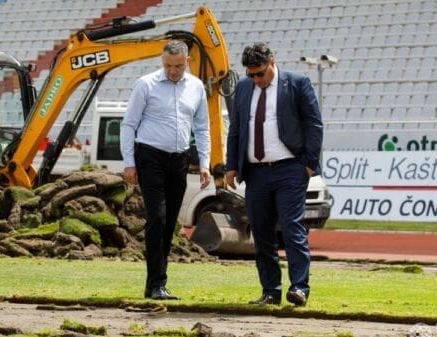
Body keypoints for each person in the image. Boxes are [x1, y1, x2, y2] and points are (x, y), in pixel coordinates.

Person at [224, 43, 323, 308]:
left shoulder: (297, 83)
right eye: (251, 74)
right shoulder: (243, 88)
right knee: (261, 232)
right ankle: (270, 291)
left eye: (260, 73)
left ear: (272, 62)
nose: (256, 79)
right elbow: (236, 128)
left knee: (291, 227)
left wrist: (308, 164)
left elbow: (314, 124)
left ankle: (299, 288)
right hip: (255, 172)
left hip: (290, 169)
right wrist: (231, 165)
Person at [120, 40, 211, 301]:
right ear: (162, 61)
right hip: (150, 156)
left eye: (178, 66)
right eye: (168, 65)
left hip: (179, 159)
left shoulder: (196, 87)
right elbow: (129, 124)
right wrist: (129, 162)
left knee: (170, 221)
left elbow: (202, 127)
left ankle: (155, 284)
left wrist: (205, 163)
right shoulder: (146, 84)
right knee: (157, 218)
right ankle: (157, 283)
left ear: (187, 62)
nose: (172, 71)